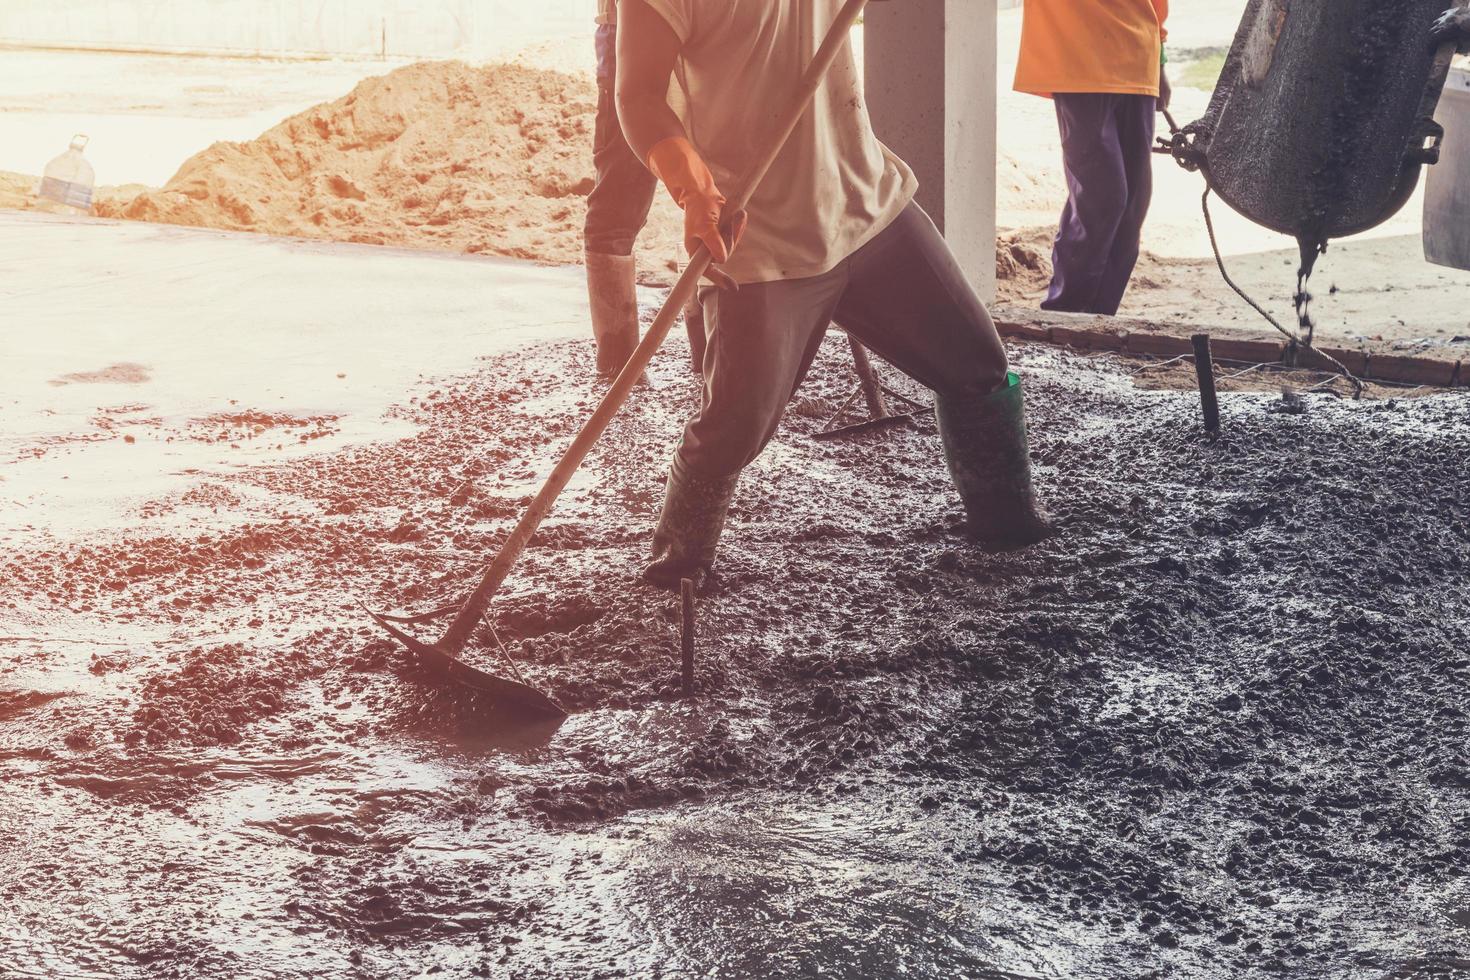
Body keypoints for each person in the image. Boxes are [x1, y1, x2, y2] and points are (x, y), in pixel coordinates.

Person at [615, 0, 1055, 592]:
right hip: (760, 237)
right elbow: (637, 96)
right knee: (734, 428)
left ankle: (1009, 524)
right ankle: (678, 569)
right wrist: (692, 185)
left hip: (867, 205)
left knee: (976, 364)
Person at [1015, 0, 1170, 316]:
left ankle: (1100, 319)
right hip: (1076, 57)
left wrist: (1161, 60)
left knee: (1133, 204)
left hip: (1139, 56)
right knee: (1103, 197)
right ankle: (1066, 313)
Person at [583, 0, 706, 377]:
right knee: (617, 209)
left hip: (706, 40)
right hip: (631, 42)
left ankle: (714, 355)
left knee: (713, 196)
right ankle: (618, 365)